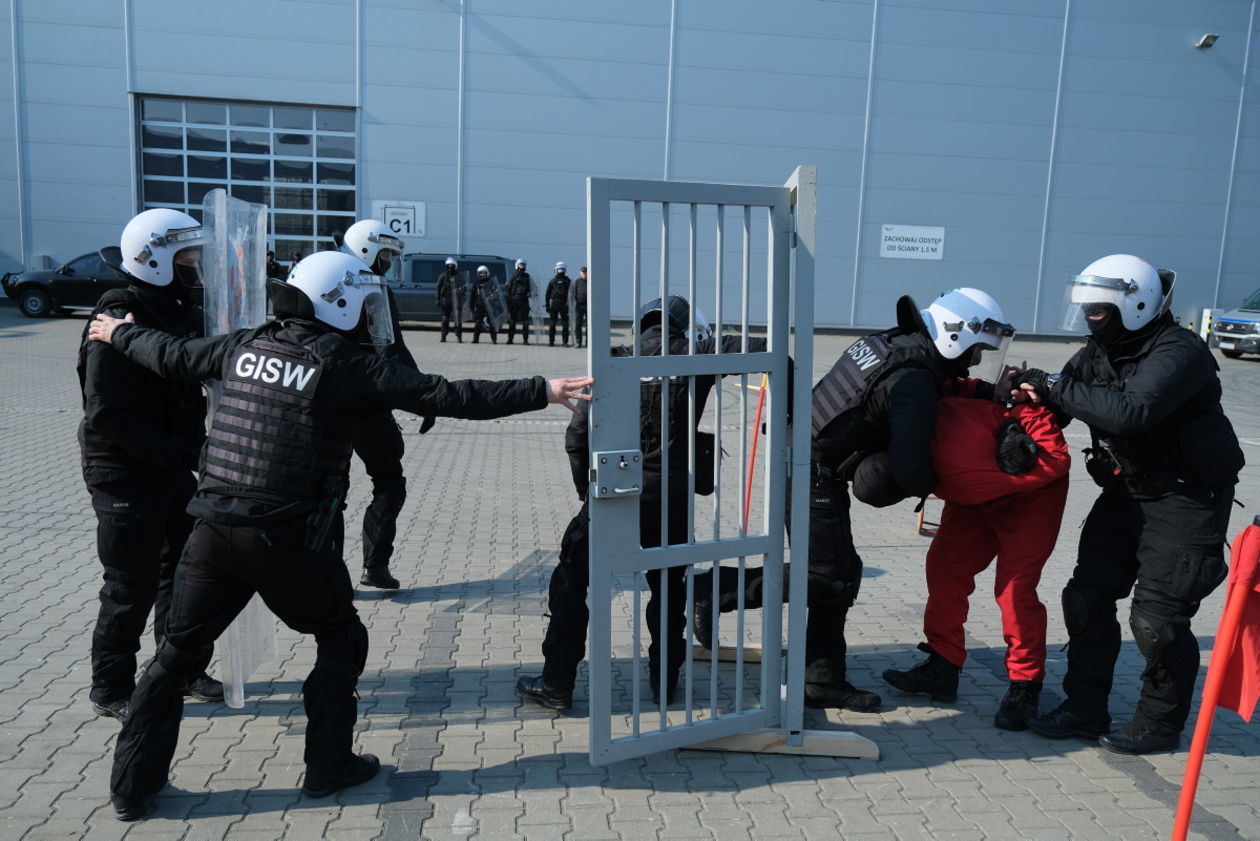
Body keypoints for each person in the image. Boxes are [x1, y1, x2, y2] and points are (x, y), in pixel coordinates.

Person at [90, 250, 593, 820]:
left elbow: (171, 355)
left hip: (211, 534)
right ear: (342, 301)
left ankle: (131, 788)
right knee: (341, 641)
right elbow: (449, 396)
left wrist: (118, 335)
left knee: (174, 657)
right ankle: (329, 766)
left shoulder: (244, 343)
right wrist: (544, 389)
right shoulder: (348, 366)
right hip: (288, 543)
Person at [692, 289, 1015, 712]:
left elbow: (939, 385)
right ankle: (714, 594)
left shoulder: (894, 341)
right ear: (956, 335)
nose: (974, 360)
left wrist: (989, 395)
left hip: (801, 453)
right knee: (831, 577)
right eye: (974, 351)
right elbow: (911, 469)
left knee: (839, 571)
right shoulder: (913, 379)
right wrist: (968, 483)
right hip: (809, 468)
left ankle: (818, 674)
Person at [1014, 254, 1244, 755]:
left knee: (1156, 621)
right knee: (1086, 597)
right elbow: (1065, 397)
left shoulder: (1179, 352)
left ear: (1134, 305)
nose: (1090, 319)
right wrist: (1023, 396)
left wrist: (1057, 386)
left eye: (1098, 310)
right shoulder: (1101, 349)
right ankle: (1084, 707)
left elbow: (1131, 411)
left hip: (1186, 500)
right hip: (1127, 493)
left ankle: (1159, 724)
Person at [517, 295, 763, 710]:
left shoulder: (614, 359)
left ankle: (556, 683)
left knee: (572, 581)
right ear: (684, 328)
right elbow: (760, 350)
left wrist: (587, 490)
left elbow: (577, 438)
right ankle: (664, 684)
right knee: (668, 590)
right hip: (671, 497)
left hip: (614, 494)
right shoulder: (695, 355)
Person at [78, 208, 224, 724]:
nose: (195, 265)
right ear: (155, 257)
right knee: (129, 585)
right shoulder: (120, 313)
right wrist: (180, 454)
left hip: (171, 466)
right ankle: (111, 687)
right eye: (187, 256)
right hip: (123, 471)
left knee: (182, 577)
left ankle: (179, 670)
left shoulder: (173, 305)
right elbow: (107, 413)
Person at [877, 388, 1070, 731]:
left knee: (1014, 591)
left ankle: (1025, 685)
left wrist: (1026, 427)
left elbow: (1055, 459)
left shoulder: (1023, 422)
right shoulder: (932, 399)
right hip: (976, 493)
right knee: (945, 567)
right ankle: (943, 665)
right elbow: (960, 383)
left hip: (1030, 495)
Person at [341, 220, 425, 590]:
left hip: (326, 399)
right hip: (368, 402)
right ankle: (374, 566)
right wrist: (421, 395)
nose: (388, 260)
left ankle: (335, 578)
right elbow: (391, 349)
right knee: (388, 483)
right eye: (385, 253)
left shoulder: (324, 277)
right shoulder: (372, 287)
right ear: (366, 248)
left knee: (330, 492)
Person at [470, 266, 500, 344]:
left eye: (483, 273)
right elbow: (472, 296)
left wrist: (494, 300)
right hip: (479, 305)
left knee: (491, 322)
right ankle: (475, 339)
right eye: (480, 273)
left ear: (487, 273)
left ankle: (494, 339)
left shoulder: (491, 282)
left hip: (489, 305)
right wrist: (471, 306)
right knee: (478, 323)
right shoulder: (476, 283)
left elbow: (496, 294)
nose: (482, 275)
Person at [506, 259, 532, 345]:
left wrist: (530, 293)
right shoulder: (513, 277)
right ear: (517, 266)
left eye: (523, 265)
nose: (522, 266)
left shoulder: (528, 277)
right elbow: (508, 289)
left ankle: (525, 340)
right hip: (514, 301)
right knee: (512, 321)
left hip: (524, 301)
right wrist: (508, 302)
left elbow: (533, 288)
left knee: (525, 321)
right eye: (521, 265)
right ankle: (510, 339)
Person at [437, 257, 463, 343]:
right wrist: (437, 299)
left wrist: (462, 299)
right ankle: (443, 336)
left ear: (455, 266)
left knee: (457, 319)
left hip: (456, 300)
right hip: (446, 300)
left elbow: (463, 289)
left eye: (452, 266)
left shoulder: (459, 277)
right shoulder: (443, 276)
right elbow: (438, 288)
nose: (450, 268)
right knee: (445, 319)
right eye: (448, 266)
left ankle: (459, 336)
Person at [545, 262, 571, 347]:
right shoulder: (552, 281)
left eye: (562, 269)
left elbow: (572, 293)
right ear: (556, 270)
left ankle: (565, 342)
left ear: (565, 270)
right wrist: (547, 305)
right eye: (559, 269)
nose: (561, 271)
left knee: (565, 325)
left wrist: (571, 305)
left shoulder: (568, 280)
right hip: (554, 304)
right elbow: (547, 294)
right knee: (552, 324)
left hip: (565, 305)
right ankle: (551, 341)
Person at [573, 266, 589, 348]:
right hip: (579, 306)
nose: (584, 274)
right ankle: (578, 342)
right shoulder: (577, 282)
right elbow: (574, 293)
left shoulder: (591, 281)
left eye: (586, 272)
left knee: (589, 325)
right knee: (578, 325)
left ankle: (588, 343)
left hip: (589, 306)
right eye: (583, 272)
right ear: (580, 273)